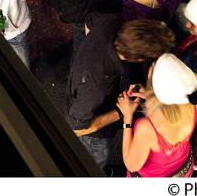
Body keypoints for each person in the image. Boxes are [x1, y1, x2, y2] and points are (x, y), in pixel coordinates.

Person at [66, 14, 175, 169]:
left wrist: (92, 50)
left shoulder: (113, 21)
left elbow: (90, 20)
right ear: (139, 59)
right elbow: (76, 129)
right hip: (94, 133)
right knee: (98, 157)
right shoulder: (94, 86)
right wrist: (120, 112)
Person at [116, 53, 197, 177]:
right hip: (182, 170)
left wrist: (127, 116)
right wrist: (150, 94)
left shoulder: (147, 128)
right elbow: (172, 108)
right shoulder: (190, 102)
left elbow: (131, 165)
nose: (151, 66)